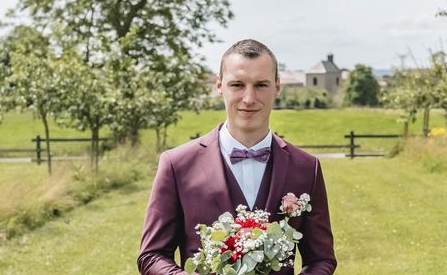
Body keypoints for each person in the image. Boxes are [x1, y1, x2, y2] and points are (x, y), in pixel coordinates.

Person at [137, 39, 337, 274]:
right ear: (220, 86)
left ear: (277, 87)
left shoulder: (306, 167)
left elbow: (322, 260)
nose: (249, 98)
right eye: (237, 85)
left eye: (261, 85)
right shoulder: (176, 164)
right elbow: (152, 255)